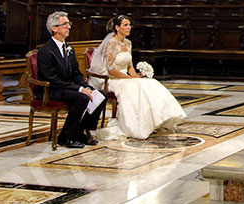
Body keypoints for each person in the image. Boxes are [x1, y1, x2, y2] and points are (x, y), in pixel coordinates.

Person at [88, 15, 185, 139]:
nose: (129, 27)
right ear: (117, 28)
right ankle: (135, 125)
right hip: (113, 79)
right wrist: (129, 79)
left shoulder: (128, 43)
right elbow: (112, 70)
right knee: (135, 87)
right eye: (125, 25)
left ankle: (157, 120)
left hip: (125, 77)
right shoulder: (112, 43)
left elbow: (130, 66)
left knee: (150, 83)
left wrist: (135, 76)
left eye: (129, 25)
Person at [37, 11, 107, 148]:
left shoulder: (69, 48)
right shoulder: (45, 51)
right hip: (52, 89)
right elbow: (52, 79)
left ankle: (80, 132)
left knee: (101, 96)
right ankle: (65, 136)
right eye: (65, 24)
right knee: (81, 98)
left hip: (66, 87)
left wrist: (84, 86)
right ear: (54, 28)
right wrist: (79, 89)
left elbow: (76, 73)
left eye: (69, 23)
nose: (69, 26)